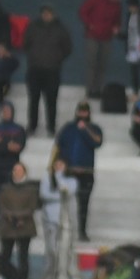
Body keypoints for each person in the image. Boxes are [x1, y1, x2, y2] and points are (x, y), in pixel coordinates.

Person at [54, 102, 104, 242]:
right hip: (69, 172)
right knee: (64, 203)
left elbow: (98, 142)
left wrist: (86, 129)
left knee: (84, 204)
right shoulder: (68, 128)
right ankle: (62, 229)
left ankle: (82, 231)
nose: (82, 114)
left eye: (85, 112)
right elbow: (59, 144)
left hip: (86, 172)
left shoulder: (94, 128)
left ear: (88, 113)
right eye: (80, 111)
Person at [22, 4, 72, 136]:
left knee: (51, 100)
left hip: (52, 70)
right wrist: (33, 56)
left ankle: (51, 127)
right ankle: (32, 126)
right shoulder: (33, 27)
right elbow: (25, 43)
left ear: (53, 14)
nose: (46, 15)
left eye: (49, 13)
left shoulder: (61, 29)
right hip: (35, 69)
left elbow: (67, 48)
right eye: (44, 13)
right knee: (33, 99)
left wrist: (57, 59)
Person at [0, 162, 39, 279]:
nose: (17, 172)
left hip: (25, 227)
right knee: (5, 257)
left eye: (20, 170)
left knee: (23, 258)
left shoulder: (31, 189)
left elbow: (32, 207)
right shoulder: (5, 188)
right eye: (15, 170)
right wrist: (10, 217)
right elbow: (1, 205)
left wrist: (20, 218)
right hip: (7, 226)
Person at [78, 0, 123, 97]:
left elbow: (117, 20)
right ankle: (90, 89)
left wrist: (116, 28)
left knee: (102, 65)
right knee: (92, 63)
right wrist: (90, 24)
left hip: (107, 37)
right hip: (92, 36)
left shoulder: (117, 5)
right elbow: (83, 11)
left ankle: (98, 89)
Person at [0, 100, 26, 227]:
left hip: (12, 168)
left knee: (12, 196)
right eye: (3, 111)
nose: (6, 113)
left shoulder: (19, 129)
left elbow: (18, 147)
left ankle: (11, 222)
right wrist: (8, 144)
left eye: (8, 111)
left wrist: (0, 142)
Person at [40, 157, 78, 254]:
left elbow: (69, 193)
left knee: (66, 247)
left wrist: (59, 178)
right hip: (50, 217)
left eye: (61, 165)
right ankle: (50, 268)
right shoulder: (47, 179)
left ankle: (64, 268)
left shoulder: (71, 180)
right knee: (51, 247)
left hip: (66, 217)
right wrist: (60, 195)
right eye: (56, 165)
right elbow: (44, 194)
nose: (58, 167)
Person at [0, 40, 20, 109]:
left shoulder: (8, 61)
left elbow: (16, 64)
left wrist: (10, 57)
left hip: (3, 83)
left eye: (1, 49)